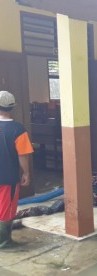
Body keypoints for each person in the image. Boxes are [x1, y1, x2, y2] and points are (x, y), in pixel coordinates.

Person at [0, 91, 33, 249]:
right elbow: (23, 155)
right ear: (12, 107)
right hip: (8, 178)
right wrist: (25, 173)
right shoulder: (17, 129)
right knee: (6, 210)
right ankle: (4, 242)